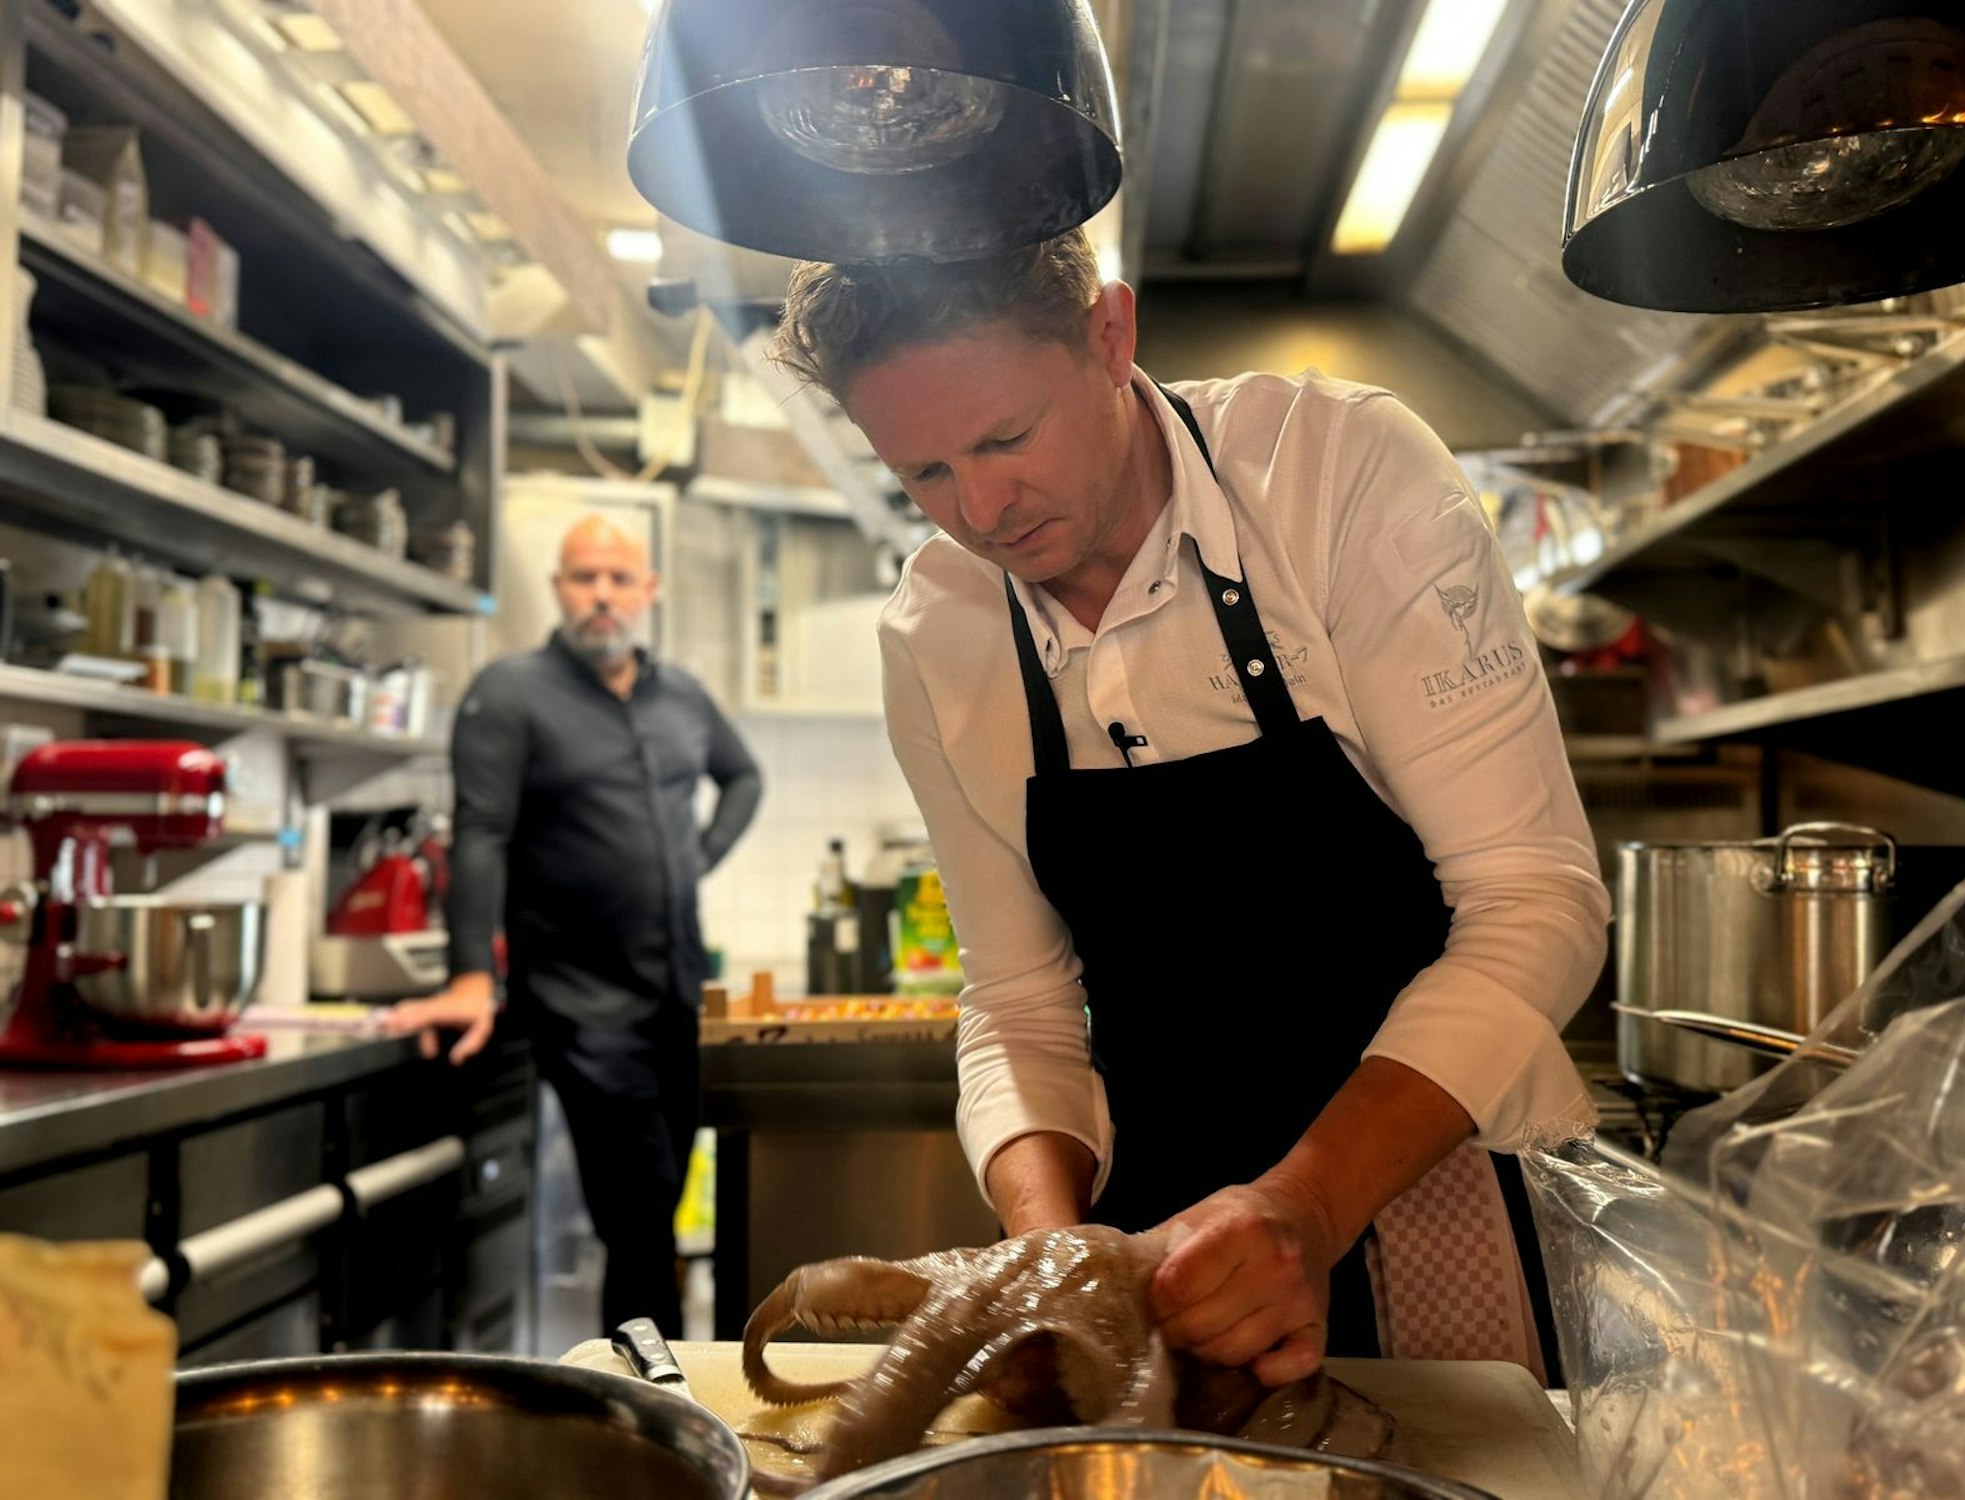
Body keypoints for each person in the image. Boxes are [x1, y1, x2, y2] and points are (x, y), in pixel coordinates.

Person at [769, 230, 1609, 1382]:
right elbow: (1017, 997)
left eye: (1005, 438)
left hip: (1416, 1182)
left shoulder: (1336, 476)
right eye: (921, 475)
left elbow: (1533, 900)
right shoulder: (939, 629)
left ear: (1109, 337)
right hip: (1149, 1242)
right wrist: (1050, 1248)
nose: (981, 509)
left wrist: (1307, 1210)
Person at [384, 515, 763, 1337]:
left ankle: (650, 1390)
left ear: (648, 592)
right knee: (637, 1214)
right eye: (585, 577)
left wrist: (698, 857)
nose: (602, 594)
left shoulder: (682, 697)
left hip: (676, 993)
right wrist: (472, 976)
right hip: (577, 998)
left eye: (620, 579)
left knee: (655, 1203)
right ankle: (655, 1397)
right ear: (560, 588)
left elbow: (742, 778)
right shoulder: (512, 693)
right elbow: (478, 833)